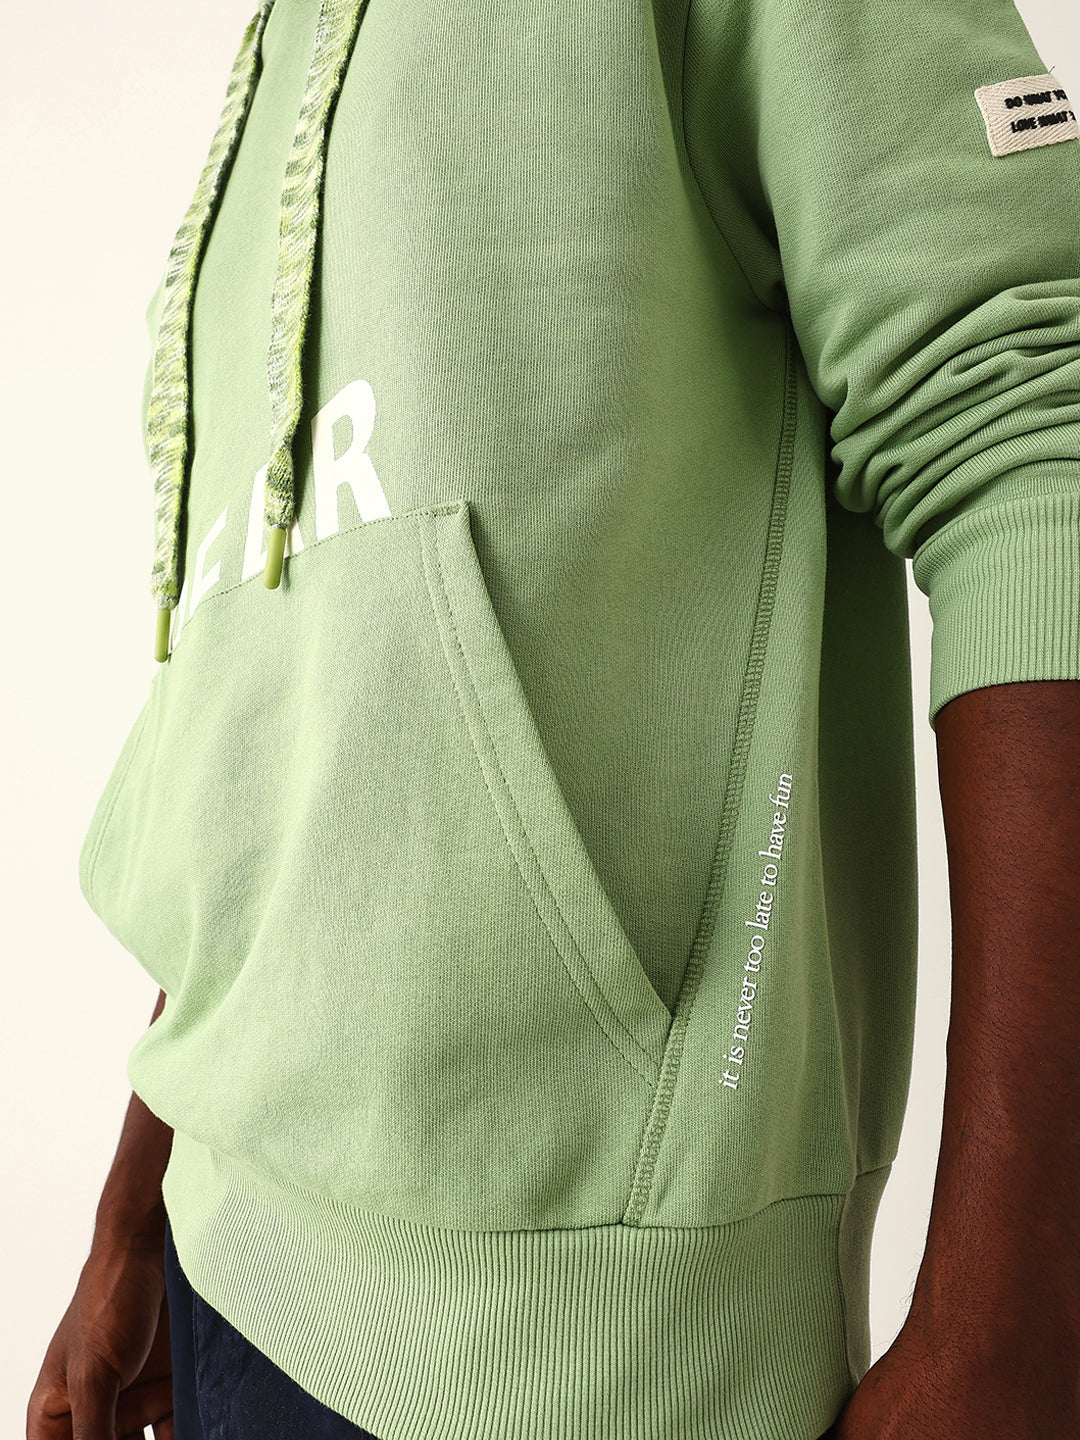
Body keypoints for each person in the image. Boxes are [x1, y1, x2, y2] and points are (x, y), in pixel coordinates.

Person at [27, 0, 1080, 1435]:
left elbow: (1030, 440)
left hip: (592, 1356)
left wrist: (1013, 1325)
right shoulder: (276, 42)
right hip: (227, 1275)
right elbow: (286, 704)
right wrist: (136, 1209)